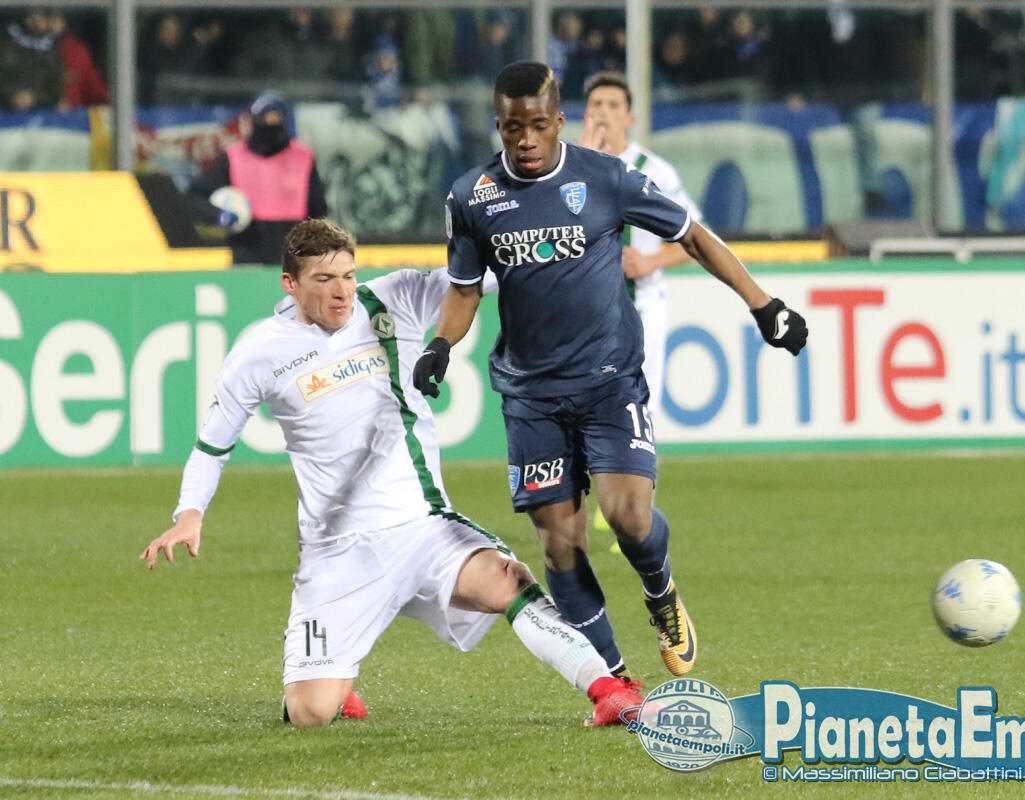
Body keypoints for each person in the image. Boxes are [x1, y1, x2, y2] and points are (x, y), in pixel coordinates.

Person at [138, 218, 645, 728]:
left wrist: (564, 235)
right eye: (324, 279)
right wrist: (189, 515)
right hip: (338, 551)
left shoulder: (392, 299)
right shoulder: (258, 352)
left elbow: (490, 271)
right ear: (290, 283)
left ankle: (608, 692)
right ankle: (336, 679)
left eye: (348, 276)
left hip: (421, 526)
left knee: (508, 580)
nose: (341, 292)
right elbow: (213, 444)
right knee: (310, 713)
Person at [414, 62, 807, 681]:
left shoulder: (606, 177)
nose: (525, 140)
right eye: (512, 128)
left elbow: (693, 235)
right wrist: (440, 344)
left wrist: (763, 305)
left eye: (538, 125)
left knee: (629, 518)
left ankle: (660, 590)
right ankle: (617, 683)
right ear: (498, 124)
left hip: (608, 379)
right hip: (530, 394)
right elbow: (464, 289)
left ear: (559, 122)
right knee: (560, 544)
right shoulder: (471, 196)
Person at [577, 70, 701, 420]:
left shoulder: (654, 171)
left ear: (629, 119)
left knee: (637, 413)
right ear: (585, 115)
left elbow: (697, 237)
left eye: (613, 105)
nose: (603, 111)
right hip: (580, 311)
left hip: (640, 305)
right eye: (596, 104)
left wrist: (650, 261)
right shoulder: (565, 166)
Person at [188, 91, 329, 265]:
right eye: (264, 118)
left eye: (275, 118)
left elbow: (318, 207)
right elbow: (195, 196)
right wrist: (219, 214)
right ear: (252, 120)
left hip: (292, 249)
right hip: (247, 247)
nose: (270, 124)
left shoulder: (302, 156)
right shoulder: (234, 157)